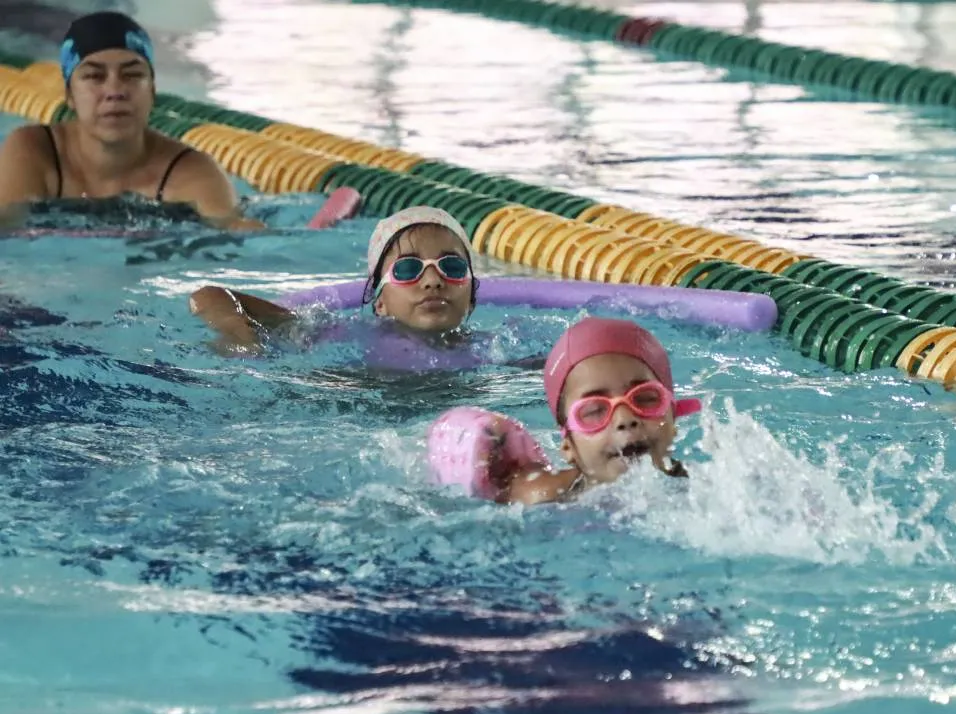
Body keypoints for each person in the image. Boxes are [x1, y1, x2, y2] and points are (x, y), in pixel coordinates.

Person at [0, 11, 261, 230]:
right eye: (94, 77)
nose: (115, 91)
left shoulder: (189, 173)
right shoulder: (34, 151)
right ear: (69, 95)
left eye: (132, 75)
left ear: (152, 91)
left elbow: (239, 236)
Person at [189, 206, 479, 355]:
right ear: (380, 303)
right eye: (407, 269)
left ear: (472, 297)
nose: (432, 281)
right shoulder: (339, 333)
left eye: (451, 267)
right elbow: (209, 296)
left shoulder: (492, 351)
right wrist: (240, 338)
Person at [480, 317, 702, 505]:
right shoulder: (547, 498)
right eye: (595, 411)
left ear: (673, 421)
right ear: (568, 447)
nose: (625, 419)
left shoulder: (707, 490)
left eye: (645, 399)